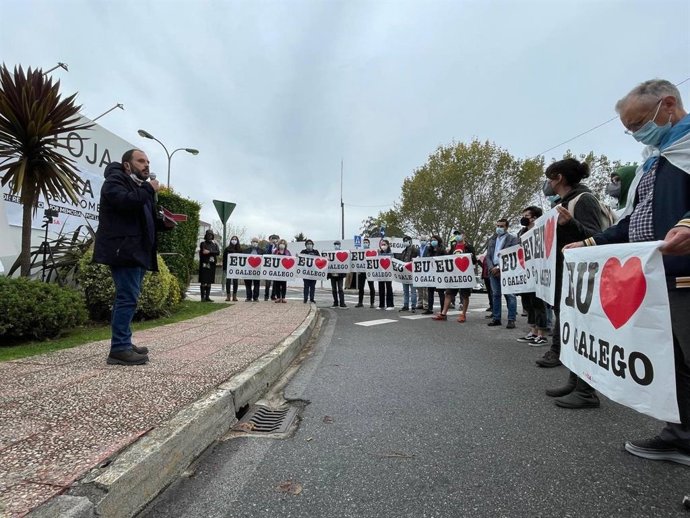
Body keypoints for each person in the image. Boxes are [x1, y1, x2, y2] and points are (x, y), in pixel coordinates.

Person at [567, 79, 690, 462]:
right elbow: (632, 222)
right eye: (630, 129)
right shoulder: (655, 161)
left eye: (638, 124)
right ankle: (681, 434)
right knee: (675, 365)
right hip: (658, 279)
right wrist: (590, 245)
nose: (636, 134)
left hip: (685, 276)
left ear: (668, 105)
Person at [535, 158, 609, 410]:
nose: (547, 183)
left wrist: (572, 224)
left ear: (559, 178)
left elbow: (596, 237)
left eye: (549, 177)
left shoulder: (584, 200)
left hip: (581, 278)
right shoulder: (564, 203)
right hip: (564, 276)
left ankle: (587, 391)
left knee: (582, 329)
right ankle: (574, 380)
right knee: (569, 328)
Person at [93, 149, 169, 366]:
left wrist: (163, 223)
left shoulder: (137, 185)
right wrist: (147, 189)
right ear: (127, 165)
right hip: (124, 249)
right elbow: (125, 203)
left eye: (148, 161)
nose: (146, 165)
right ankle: (119, 348)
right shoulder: (115, 181)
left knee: (128, 298)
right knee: (127, 298)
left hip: (137, 251)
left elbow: (142, 217)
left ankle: (124, 342)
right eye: (141, 161)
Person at [516, 207, 549, 346]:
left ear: (534, 217)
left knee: (538, 304)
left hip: (538, 272)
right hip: (525, 273)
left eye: (527, 215)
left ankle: (541, 334)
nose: (524, 218)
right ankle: (533, 331)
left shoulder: (541, 229)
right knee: (528, 304)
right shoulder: (521, 233)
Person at [432, 230, 477, 322]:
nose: (457, 236)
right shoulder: (453, 247)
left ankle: (463, 314)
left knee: (465, 295)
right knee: (448, 294)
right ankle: (443, 314)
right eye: (455, 234)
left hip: (464, 275)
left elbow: (474, 261)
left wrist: (471, 257)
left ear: (464, 235)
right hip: (453, 275)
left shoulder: (469, 247)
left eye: (459, 234)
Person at [485, 219, 519, 328]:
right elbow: (488, 256)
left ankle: (511, 319)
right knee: (495, 295)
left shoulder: (513, 239)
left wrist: (500, 267)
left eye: (502, 226)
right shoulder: (492, 240)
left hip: (506, 270)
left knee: (510, 295)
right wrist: (492, 268)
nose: (499, 228)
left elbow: (513, 255)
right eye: (498, 225)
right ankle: (496, 318)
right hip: (493, 270)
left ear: (506, 227)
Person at [423, 235, 446, 315]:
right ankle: (429, 308)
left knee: (441, 292)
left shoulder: (442, 250)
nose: (433, 241)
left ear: (438, 240)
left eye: (434, 240)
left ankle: (443, 309)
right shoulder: (429, 250)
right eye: (431, 240)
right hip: (431, 274)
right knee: (430, 291)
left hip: (440, 274)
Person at [398, 235, 418, 312]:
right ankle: (405, 305)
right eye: (404, 241)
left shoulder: (415, 250)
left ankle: (413, 306)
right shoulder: (404, 251)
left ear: (410, 241)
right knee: (405, 291)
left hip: (412, 273)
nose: (405, 242)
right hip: (404, 274)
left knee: (413, 291)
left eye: (406, 240)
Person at [198, 230, 220, 302]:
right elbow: (204, 252)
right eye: (208, 235)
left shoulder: (214, 244)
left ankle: (207, 297)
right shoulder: (203, 243)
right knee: (204, 280)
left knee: (209, 281)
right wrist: (212, 252)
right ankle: (202, 298)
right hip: (205, 263)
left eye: (211, 235)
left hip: (212, 264)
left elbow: (218, 252)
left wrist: (210, 252)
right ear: (206, 236)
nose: (209, 236)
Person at [355, 237, 376, 308]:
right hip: (362, 271)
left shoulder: (372, 251)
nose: (365, 244)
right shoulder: (360, 251)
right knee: (361, 287)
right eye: (364, 243)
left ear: (369, 244)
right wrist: (358, 270)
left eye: (366, 242)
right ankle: (360, 302)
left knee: (371, 287)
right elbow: (357, 261)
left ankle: (372, 303)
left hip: (370, 271)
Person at [328, 240, 347, 308]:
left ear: (340, 245)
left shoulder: (343, 253)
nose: (336, 245)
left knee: (340, 289)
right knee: (334, 289)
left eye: (337, 244)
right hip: (332, 275)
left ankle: (342, 303)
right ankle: (335, 302)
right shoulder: (331, 254)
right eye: (335, 244)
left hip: (340, 275)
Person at [222, 235, 242, 301]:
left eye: (235, 239)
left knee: (235, 282)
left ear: (237, 241)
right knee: (228, 282)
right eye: (233, 239)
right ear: (231, 240)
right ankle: (228, 296)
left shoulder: (239, 250)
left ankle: (234, 296)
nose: (234, 240)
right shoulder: (227, 249)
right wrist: (224, 268)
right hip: (228, 268)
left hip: (236, 268)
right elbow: (224, 259)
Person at [300, 239, 319, 303]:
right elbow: (300, 260)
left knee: (313, 286)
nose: (309, 245)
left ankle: (312, 298)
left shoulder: (316, 252)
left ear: (313, 245)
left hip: (314, 272)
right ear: (305, 245)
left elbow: (320, 260)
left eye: (310, 244)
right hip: (306, 272)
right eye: (308, 244)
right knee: (306, 286)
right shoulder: (303, 251)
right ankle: (305, 298)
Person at [377, 238, 395, 310]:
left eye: (384, 244)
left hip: (388, 273)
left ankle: (390, 305)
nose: (383, 246)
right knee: (381, 288)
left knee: (389, 288)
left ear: (388, 245)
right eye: (382, 245)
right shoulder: (379, 253)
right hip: (381, 273)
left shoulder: (391, 254)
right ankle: (381, 304)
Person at [272, 238, 291, 303]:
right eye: (281, 243)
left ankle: (283, 297)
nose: (282, 245)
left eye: (283, 243)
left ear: (285, 245)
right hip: (276, 271)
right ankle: (278, 297)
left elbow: (291, 260)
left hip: (284, 272)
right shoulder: (275, 252)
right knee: (277, 284)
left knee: (284, 284)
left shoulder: (287, 252)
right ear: (279, 244)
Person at [416, 235, 430, 311]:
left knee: (426, 288)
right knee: (419, 288)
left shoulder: (428, 248)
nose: (423, 241)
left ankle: (426, 303)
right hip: (419, 270)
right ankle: (420, 303)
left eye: (424, 240)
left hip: (426, 270)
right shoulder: (418, 249)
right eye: (422, 240)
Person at [264, 234, 280, 300]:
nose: (274, 241)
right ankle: (266, 295)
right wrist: (271, 245)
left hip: (276, 266)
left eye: (276, 239)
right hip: (269, 266)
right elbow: (266, 253)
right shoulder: (268, 246)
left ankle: (273, 295)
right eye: (273, 239)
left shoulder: (279, 247)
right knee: (268, 283)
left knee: (275, 283)